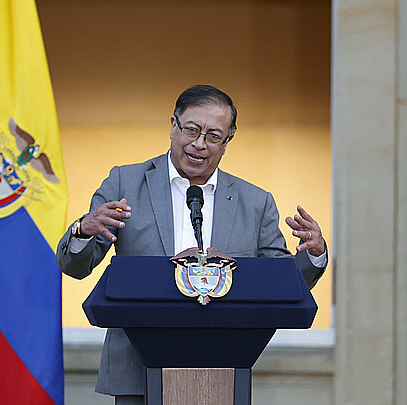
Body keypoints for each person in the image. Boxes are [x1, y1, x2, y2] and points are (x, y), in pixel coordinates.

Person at [56, 84, 327, 405]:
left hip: (226, 367)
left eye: (214, 136)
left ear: (229, 140)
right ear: (173, 125)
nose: (199, 144)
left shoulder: (255, 202)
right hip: (137, 369)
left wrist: (314, 254)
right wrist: (83, 230)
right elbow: (75, 267)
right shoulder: (124, 182)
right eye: (192, 130)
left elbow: (280, 286)